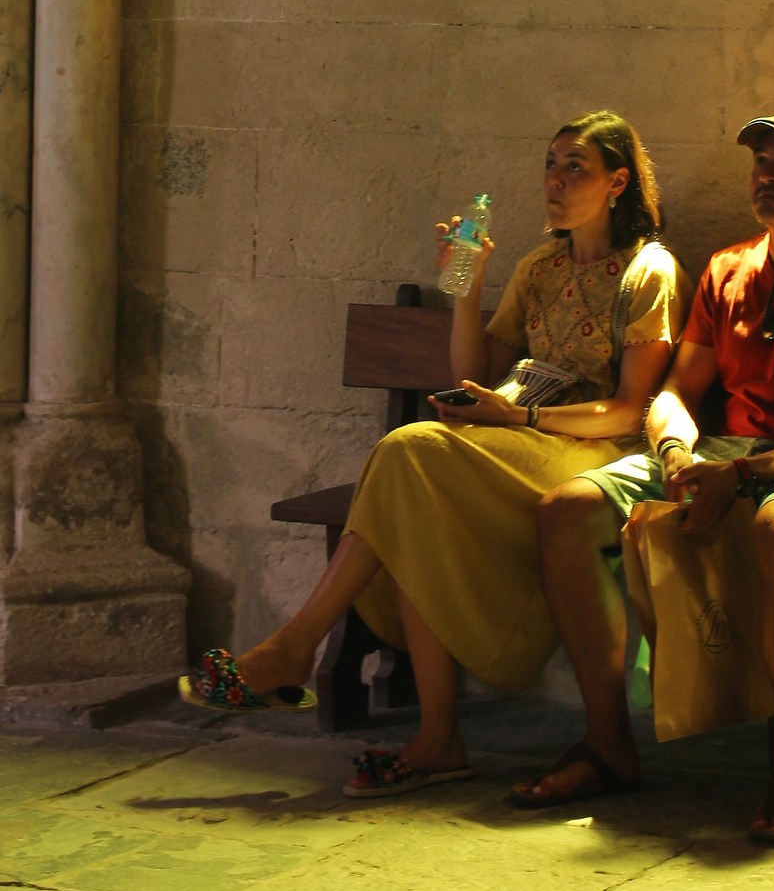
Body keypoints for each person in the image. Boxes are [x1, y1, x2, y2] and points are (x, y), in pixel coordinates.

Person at [178, 111, 689, 800]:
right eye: (550, 164)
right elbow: (473, 365)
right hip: (514, 437)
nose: (556, 181)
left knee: (408, 451)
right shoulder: (540, 266)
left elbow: (631, 410)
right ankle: (435, 738)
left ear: (618, 182)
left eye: (576, 167)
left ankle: (299, 647)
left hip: (590, 448)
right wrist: (466, 288)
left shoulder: (648, 271)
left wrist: (516, 413)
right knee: (416, 493)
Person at [516, 112, 774, 845]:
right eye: (759, 160)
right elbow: (676, 392)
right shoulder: (731, 269)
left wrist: (744, 473)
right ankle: (607, 745)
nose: (765, 174)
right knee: (567, 509)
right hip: (725, 451)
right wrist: (673, 455)